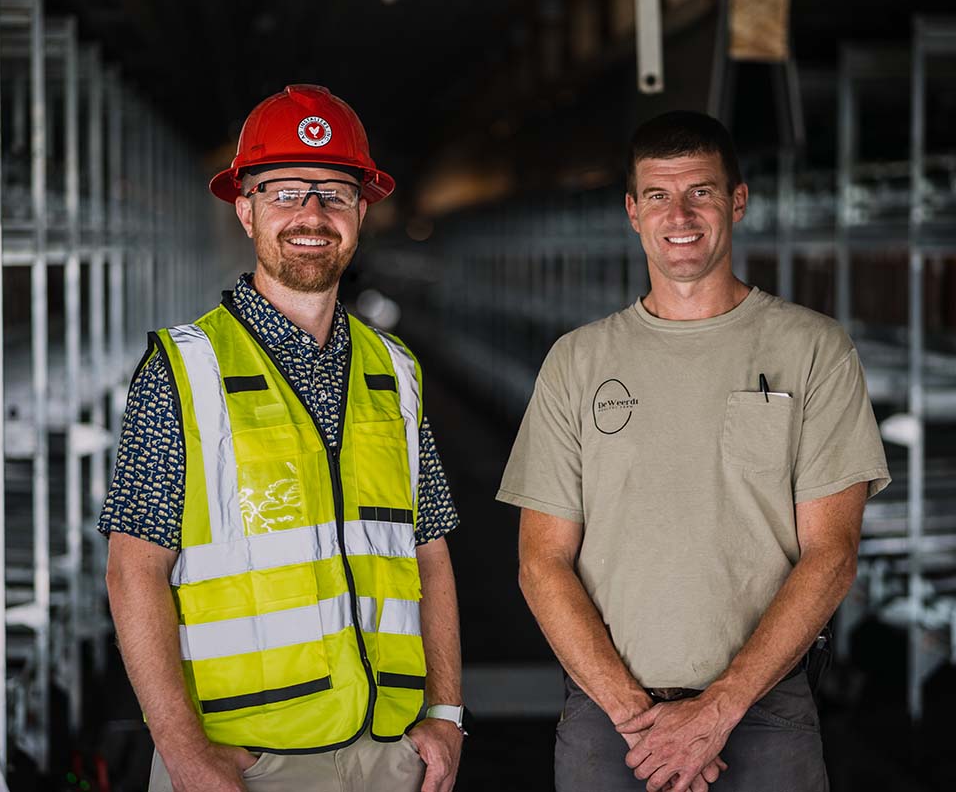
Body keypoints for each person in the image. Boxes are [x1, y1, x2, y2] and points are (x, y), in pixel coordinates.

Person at [497, 111, 890, 792]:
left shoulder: (814, 349)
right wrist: (635, 718)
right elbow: (541, 561)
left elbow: (832, 554)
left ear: (737, 200)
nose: (679, 214)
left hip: (763, 710)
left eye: (701, 192)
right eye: (657, 195)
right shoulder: (578, 361)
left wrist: (719, 708)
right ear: (631, 211)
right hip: (608, 717)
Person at [101, 84, 466, 792]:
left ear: (362, 210)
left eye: (333, 191)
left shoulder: (395, 370)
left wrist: (447, 712)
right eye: (285, 191)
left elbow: (430, 551)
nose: (311, 214)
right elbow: (132, 571)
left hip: (389, 755)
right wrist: (181, 752)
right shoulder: (184, 370)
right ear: (244, 209)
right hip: (241, 761)